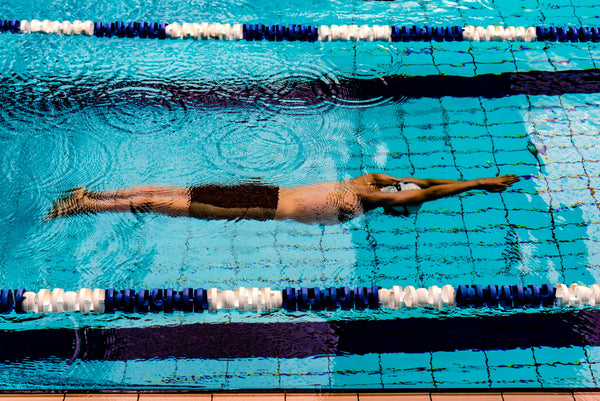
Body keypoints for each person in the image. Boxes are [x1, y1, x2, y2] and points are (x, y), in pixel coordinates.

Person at [46, 174, 520, 224]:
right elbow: (430, 193)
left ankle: (92, 194)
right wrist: (480, 185)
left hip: (264, 190)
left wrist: (479, 179)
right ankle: (86, 206)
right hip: (261, 206)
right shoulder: (363, 203)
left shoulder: (365, 180)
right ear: (392, 203)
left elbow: (420, 184)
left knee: (174, 192)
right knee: (168, 204)